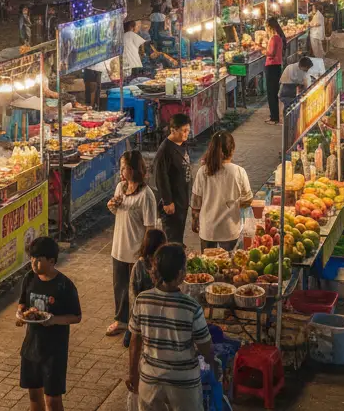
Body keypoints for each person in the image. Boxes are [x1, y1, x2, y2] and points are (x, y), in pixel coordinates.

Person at [127, 243, 214, 411]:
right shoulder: (192, 307)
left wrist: (132, 373)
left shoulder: (142, 300)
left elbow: (134, 342)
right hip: (183, 383)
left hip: (150, 380)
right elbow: (205, 347)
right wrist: (213, 363)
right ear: (180, 273)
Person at [16, 236, 82, 411]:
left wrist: (54, 320)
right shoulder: (29, 278)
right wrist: (21, 313)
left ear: (52, 261)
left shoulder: (64, 285)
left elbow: (76, 316)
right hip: (31, 346)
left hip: (54, 351)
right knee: (34, 395)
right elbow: (22, 303)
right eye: (32, 258)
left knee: (52, 400)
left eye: (38, 259)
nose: (33, 263)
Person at [107, 150, 158, 335]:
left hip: (136, 250)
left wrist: (146, 253)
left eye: (124, 167)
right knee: (119, 287)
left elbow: (150, 227)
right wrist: (112, 206)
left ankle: (139, 323)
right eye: (121, 167)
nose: (121, 171)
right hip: (119, 247)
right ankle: (121, 320)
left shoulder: (146, 195)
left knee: (138, 289)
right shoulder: (120, 187)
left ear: (134, 169)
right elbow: (120, 213)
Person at [190, 130, 252, 251]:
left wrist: (194, 220)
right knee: (228, 262)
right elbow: (248, 200)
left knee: (208, 262)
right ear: (232, 150)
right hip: (229, 229)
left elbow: (196, 202)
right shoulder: (239, 172)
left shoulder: (203, 171)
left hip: (208, 230)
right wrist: (233, 204)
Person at [122, 228, 167, 348]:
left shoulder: (162, 262)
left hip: (157, 306)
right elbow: (133, 291)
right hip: (142, 306)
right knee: (130, 339)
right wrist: (138, 308)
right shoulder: (140, 265)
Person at [154, 114, 192, 244]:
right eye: (183, 131)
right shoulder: (165, 150)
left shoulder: (182, 143)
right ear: (173, 130)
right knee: (172, 238)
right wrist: (167, 201)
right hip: (172, 202)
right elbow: (161, 176)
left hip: (182, 198)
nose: (186, 134)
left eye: (188, 130)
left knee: (179, 234)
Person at [264, 16, 287, 125]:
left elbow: (271, 53)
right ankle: (274, 115)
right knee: (273, 92)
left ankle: (274, 118)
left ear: (270, 27)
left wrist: (263, 49)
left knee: (271, 92)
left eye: (266, 26)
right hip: (276, 66)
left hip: (272, 66)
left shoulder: (274, 38)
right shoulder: (279, 37)